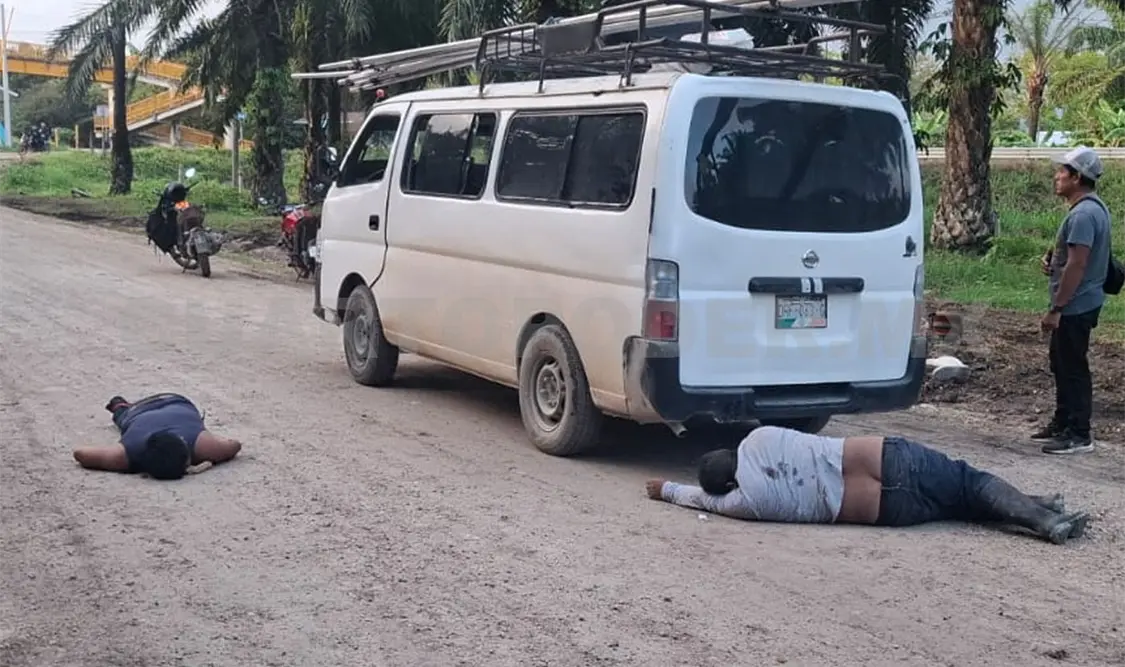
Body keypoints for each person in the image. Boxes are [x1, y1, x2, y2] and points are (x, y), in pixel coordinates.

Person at [644, 426, 1089, 545]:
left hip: (884, 510)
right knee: (967, 482)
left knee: (962, 500)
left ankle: (1045, 507)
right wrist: (661, 483)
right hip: (886, 457)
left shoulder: (746, 504)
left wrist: (667, 490)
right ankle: (1046, 521)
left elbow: (694, 496)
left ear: (725, 487)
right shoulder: (759, 439)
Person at [1035, 146, 1111, 454]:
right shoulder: (1092, 209)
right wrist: (1053, 261)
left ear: (1077, 178)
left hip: (1075, 304)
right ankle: (1063, 421)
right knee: (1061, 362)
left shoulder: (1083, 214)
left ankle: (1079, 434)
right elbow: (1074, 258)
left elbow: (1078, 264)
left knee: (1072, 367)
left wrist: (1057, 309)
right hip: (1080, 301)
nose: (1057, 177)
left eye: (1063, 172)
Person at [73, 393, 242, 480]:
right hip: (165, 402)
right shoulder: (124, 454)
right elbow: (235, 445)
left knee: (126, 419)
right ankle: (119, 405)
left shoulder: (204, 445)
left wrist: (129, 463)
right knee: (123, 418)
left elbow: (233, 445)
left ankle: (120, 406)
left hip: (167, 403)